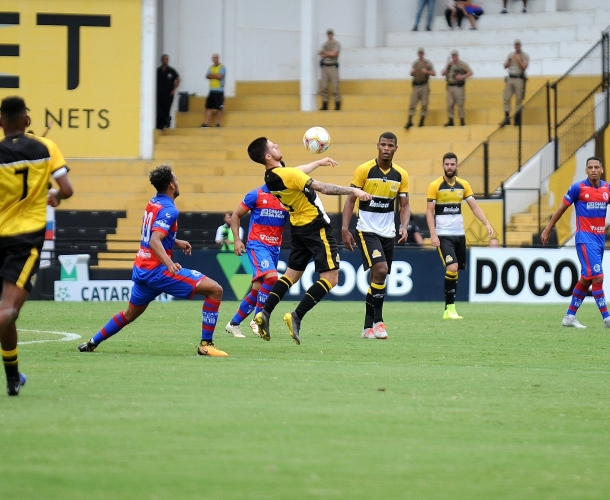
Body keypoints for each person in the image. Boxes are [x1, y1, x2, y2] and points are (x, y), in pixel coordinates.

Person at [78, 165, 228, 357]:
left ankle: (91, 342)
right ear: (172, 185)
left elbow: (149, 234)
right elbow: (154, 239)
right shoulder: (169, 209)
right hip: (158, 271)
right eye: (177, 180)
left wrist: (176, 241)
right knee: (215, 290)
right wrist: (169, 263)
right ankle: (206, 345)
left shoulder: (153, 202)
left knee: (128, 314)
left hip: (142, 269)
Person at [247, 137, 371, 345]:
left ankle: (264, 313)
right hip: (316, 227)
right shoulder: (289, 174)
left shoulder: (272, 176)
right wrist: (354, 191)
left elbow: (297, 172)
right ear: (268, 156)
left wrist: (318, 163)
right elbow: (323, 188)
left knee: (291, 275)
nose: (278, 145)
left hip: (298, 227)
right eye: (273, 146)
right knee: (331, 279)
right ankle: (296, 316)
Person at [0, 96, 74, 396]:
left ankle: (13, 378)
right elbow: (67, 190)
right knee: (7, 311)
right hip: (24, 241)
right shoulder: (46, 148)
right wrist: (51, 194)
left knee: (8, 313)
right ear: (27, 121)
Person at [225, 158, 327, 338]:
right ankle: (258, 319)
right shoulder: (255, 195)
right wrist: (237, 241)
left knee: (257, 289)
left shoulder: (286, 197)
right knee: (272, 278)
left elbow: (300, 170)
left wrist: (319, 162)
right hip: (257, 245)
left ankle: (233, 324)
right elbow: (235, 215)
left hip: (274, 247)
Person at [341, 132, 410, 340]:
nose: (387, 148)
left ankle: (366, 327)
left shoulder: (401, 175)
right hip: (367, 229)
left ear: (396, 148)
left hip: (388, 232)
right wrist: (345, 228)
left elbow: (405, 205)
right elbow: (351, 201)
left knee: (378, 277)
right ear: (377, 146)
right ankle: (379, 322)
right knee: (381, 269)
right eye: (383, 144)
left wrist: (404, 225)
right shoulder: (364, 170)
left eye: (391, 145)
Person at [541, 157, 610, 329]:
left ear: (602, 169)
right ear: (586, 170)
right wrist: (548, 228)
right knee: (598, 276)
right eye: (590, 167)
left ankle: (570, 316)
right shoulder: (577, 188)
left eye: (596, 167)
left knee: (587, 278)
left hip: (600, 240)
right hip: (585, 239)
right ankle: (607, 318)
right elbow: (561, 209)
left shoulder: (607, 188)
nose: (593, 170)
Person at [426, 152, 493, 319]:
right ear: (443, 166)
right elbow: (429, 212)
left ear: (457, 166)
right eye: (447, 164)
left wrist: (486, 223)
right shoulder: (435, 185)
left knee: (456, 271)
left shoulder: (464, 185)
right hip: (443, 235)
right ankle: (449, 309)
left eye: (452, 164)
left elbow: (474, 207)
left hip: (459, 235)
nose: (449, 167)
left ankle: (450, 308)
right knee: (452, 267)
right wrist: (433, 235)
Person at [405, 47, 436, 130]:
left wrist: (427, 72)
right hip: (416, 85)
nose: (420, 55)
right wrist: (412, 72)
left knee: (424, 104)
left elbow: (434, 73)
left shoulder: (427, 63)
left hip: (424, 85)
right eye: (419, 53)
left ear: (423, 54)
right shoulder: (415, 63)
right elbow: (411, 73)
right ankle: (410, 120)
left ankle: (422, 121)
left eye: (421, 53)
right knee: (412, 104)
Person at [500, 39, 529, 127]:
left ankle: (517, 119)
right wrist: (509, 59)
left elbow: (524, 67)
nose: (517, 47)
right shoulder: (511, 55)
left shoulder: (524, 56)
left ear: (520, 46)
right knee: (506, 98)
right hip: (510, 78)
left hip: (519, 78)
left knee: (518, 100)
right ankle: (507, 118)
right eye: (515, 46)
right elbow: (505, 66)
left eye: (518, 46)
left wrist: (519, 59)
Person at [441, 49, 473, 127]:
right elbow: (443, 73)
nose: (454, 57)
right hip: (450, 86)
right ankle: (450, 120)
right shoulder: (450, 65)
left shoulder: (462, 64)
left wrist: (462, 76)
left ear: (457, 56)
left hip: (458, 86)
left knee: (460, 104)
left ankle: (462, 121)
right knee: (450, 104)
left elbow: (470, 72)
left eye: (455, 56)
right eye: (452, 56)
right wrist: (447, 66)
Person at [156, 54, 180, 130]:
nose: (165, 61)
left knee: (167, 108)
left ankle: (166, 122)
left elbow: (178, 79)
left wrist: (174, 89)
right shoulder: (158, 71)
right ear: (162, 60)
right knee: (159, 109)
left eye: (167, 59)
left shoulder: (171, 70)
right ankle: (160, 124)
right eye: (164, 59)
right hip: (159, 94)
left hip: (168, 94)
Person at [319, 29, 341, 111]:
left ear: (333, 35)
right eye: (328, 34)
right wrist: (329, 53)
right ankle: (325, 105)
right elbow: (321, 54)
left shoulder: (336, 44)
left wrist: (326, 53)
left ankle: (337, 104)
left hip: (332, 66)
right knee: (324, 86)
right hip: (325, 66)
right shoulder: (324, 44)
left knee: (335, 86)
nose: (330, 35)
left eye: (331, 34)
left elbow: (334, 54)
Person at [201, 53, 225, 128]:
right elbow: (207, 76)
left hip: (219, 91)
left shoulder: (222, 67)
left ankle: (218, 123)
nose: (214, 59)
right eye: (213, 58)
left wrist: (212, 75)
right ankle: (206, 123)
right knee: (209, 107)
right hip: (211, 90)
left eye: (215, 58)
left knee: (219, 108)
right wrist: (215, 75)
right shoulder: (210, 67)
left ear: (218, 58)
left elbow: (220, 77)